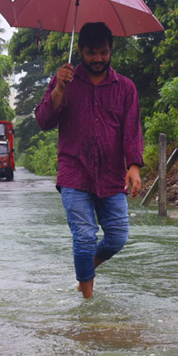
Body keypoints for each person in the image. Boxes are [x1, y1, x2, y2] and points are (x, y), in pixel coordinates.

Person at [35, 21, 144, 298]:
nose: (98, 59)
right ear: (81, 51)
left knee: (117, 237)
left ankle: (86, 269)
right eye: (92, 52)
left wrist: (133, 167)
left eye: (104, 52)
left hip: (111, 174)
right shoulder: (65, 82)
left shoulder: (125, 88)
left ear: (111, 51)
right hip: (75, 171)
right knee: (83, 238)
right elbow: (44, 121)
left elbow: (131, 128)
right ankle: (88, 301)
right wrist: (59, 88)